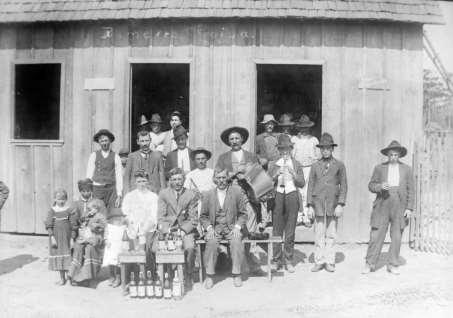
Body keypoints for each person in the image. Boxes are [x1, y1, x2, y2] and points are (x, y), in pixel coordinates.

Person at [363, 141, 415, 275]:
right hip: (382, 204)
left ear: (399, 156)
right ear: (387, 155)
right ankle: (370, 264)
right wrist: (380, 186)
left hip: (400, 205)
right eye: (391, 155)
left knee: (397, 236)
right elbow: (371, 185)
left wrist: (409, 208)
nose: (393, 157)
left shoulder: (407, 169)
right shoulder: (379, 168)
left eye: (396, 155)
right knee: (376, 234)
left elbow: (411, 190)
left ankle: (392, 264)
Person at [200, 169, 248, 289]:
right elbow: (203, 216)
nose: (221, 180)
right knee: (211, 243)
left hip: (231, 227)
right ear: (214, 179)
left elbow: (243, 214)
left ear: (227, 178)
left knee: (237, 243)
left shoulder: (236, 193)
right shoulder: (208, 194)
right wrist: (209, 228)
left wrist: (237, 227)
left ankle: (237, 274)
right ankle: (210, 276)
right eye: (218, 178)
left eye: (223, 177)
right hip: (215, 228)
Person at [307, 133, 348, 273]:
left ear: (332, 149)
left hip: (333, 203)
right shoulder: (315, 166)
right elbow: (310, 185)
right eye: (323, 148)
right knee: (319, 233)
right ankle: (319, 260)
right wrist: (310, 205)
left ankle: (330, 261)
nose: (325, 151)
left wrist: (340, 204)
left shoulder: (339, 165)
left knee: (331, 233)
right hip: (318, 203)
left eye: (328, 148)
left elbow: (344, 185)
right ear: (320, 150)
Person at [268, 134, 305, 273]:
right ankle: (276, 260)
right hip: (277, 195)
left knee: (290, 230)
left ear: (291, 149)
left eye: (287, 149)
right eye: (282, 149)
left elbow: (301, 183)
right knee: (277, 229)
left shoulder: (296, 163)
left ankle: (288, 260)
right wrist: (274, 176)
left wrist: (294, 174)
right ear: (278, 150)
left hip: (292, 195)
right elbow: (266, 184)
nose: (285, 152)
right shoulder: (273, 164)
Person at [157, 168, 199, 289]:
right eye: (174, 179)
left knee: (190, 248)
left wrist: (183, 230)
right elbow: (160, 217)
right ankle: (168, 275)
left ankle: (189, 274)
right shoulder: (164, 194)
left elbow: (193, 219)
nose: (177, 182)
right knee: (163, 248)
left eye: (180, 179)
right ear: (170, 181)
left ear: (184, 180)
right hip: (168, 228)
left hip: (185, 229)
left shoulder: (191, 194)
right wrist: (168, 230)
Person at [122, 170, 159, 271]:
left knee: (146, 247)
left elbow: (154, 216)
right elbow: (126, 213)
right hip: (132, 227)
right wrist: (132, 224)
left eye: (144, 181)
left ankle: (148, 272)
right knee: (129, 245)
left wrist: (145, 227)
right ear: (135, 182)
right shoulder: (129, 196)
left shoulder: (153, 196)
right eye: (139, 181)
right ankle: (133, 273)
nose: (141, 184)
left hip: (148, 228)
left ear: (148, 182)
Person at [69, 198, 107, 286]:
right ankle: (75, 274)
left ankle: (87, 276)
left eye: (91, 209)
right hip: (87, 237)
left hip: (96, 238)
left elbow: (103, 227)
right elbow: (81, 221)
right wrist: (85, 218)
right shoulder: (88, 216)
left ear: (96, 208)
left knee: (90, 249)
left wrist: (94, 226)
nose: (89, 211)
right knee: (78, 247)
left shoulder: (100, 216)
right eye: (88, 209)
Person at [45, 189, 77, 285]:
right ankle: (62, 279)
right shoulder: (52, 211)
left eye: (63, 199)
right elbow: (49, 225)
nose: (61, 201)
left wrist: (72, 238)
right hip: (56, 238)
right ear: (55, 199)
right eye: (59, 199)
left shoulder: (69, 210)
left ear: (66, 199)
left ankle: (71, 278)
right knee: (59, 257)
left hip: (67, 238)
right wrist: (52, 237)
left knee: (69, 257)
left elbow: (73, 225)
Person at [291, 115, 320, 222]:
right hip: (297, 168)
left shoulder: (314, 140)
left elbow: (318, 157)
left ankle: (307, 215)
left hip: (309, 168)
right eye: (302, 127)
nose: (304, 129)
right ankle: (299, 215)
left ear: (309, 128)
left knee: (308, 191)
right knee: (298, 191)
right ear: (299, 128)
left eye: (306, 127)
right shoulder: (294, 139)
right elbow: (291, 155)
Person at [86, 129, 123, 213]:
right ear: (99, 142)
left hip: (111, 190)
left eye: (106, 140)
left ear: (110, 141)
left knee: (111, 213)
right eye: (102, 141)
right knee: (97, 212)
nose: (104, 143)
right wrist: (89, 190)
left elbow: (119, 176)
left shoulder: (115, 156)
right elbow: (89, 174)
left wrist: (119, 194)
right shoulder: (94, 155)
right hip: (97, 189)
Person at [123, 130, 166, 194]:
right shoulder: (132, 156)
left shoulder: (158, 156)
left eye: (147, 140)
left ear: (150, 140)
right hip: (136, 192)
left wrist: (163, 194)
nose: (145, 143)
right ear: (138, 142)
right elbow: (127, 177)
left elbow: (162, 176)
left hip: (154, 192)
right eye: (142, 141)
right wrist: (127, 194)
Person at [102, 208, 127, 288]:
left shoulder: (124, 227)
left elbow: (126, 236)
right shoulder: (109, 226)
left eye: (118, 218)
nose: (117, 220)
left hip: (119, 246)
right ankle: (112, 276)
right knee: (111, 262)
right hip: (111, 245)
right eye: (115, 218)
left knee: (118, 263)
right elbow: (106, 234)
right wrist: (106, 240)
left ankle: (118, 277)